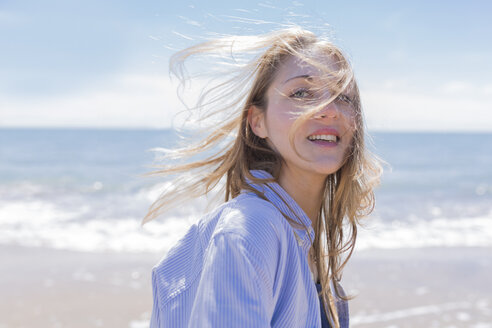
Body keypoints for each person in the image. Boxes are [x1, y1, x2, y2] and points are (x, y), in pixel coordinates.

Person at [143, 26, 381, 328]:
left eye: (342, 96)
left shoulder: (304, 246)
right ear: (258, 121)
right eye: (302, 93)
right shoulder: (251, 229)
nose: (329, 109)